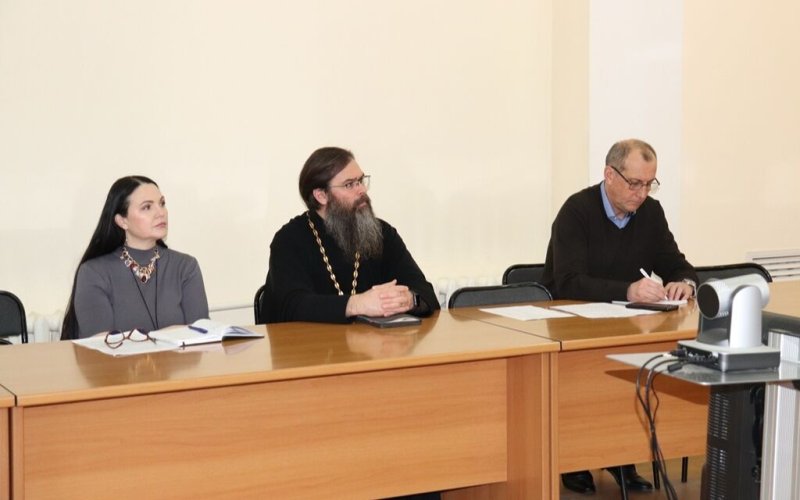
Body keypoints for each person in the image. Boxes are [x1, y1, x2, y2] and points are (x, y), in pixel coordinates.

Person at [541, 139, 698, 494]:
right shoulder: (577, 211)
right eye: (634, 183)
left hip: (624, 325)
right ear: (610, 175)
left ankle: (620, 455)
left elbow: (677, 263)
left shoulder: (650, 213)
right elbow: (568, 281)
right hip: (571, 323)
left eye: (649, 184)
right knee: (586, 378)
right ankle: (574, 458)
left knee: (632, 373)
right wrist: (628, 290)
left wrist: (684, 283)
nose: (642, 194)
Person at [263, 146, 439, 324]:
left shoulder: (382, 233)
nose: (361, 190)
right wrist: (356, 304)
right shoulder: (289, 240)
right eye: (349, 184)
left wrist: (409, 299)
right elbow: (292, 307)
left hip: (374, 341)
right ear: (321, 196)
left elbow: (426, 293)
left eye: (360, 181)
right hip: (314, 341)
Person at [61, 176, 209, 340]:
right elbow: (102, 344)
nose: (161, 213)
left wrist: (136, 338)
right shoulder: (94, 273)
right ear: (122, 221)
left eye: (162, 203)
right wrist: (173, 333)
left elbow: (202, 335)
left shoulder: (185, 267)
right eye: (147, 207)